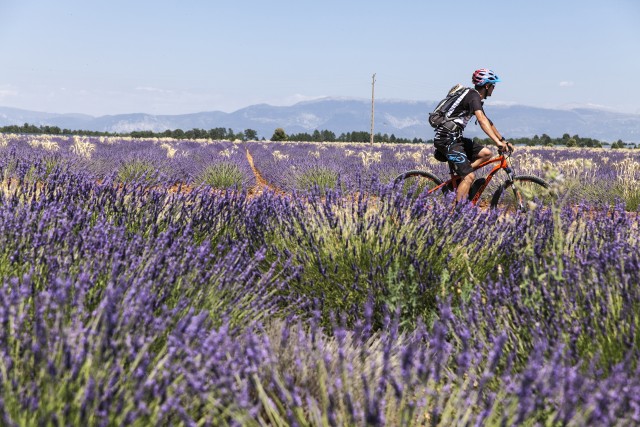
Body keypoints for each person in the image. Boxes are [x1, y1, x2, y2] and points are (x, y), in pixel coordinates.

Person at [433, 68, 514, 203]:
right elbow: (481, 120)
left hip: (455, 138)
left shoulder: (473, 97)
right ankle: (458, 215)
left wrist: (502, 140)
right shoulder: (473, 96)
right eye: (493, 86)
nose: (494, 89)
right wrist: (497, 142)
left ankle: (459, 181)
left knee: (486, 154)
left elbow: (487, 121)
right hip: (447, 139)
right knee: (469, 177)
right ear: (487, 86)